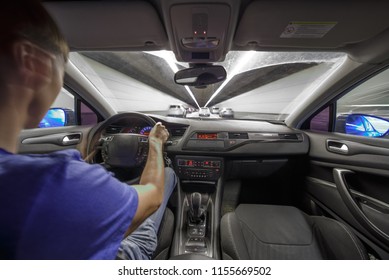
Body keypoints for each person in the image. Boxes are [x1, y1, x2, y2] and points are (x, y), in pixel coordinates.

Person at [0, 0, 176, 259]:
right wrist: (155, 143)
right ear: (32, 64)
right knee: (168, 176)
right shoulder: (61, 185)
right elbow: (153, 194)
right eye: (62, 71)